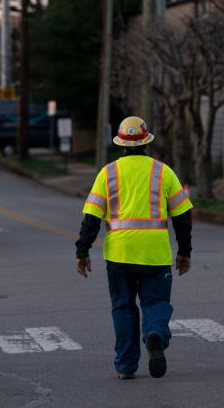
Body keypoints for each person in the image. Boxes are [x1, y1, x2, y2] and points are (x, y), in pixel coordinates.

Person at [75, 116, 193, 380]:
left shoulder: (108, 173)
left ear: (121, 145)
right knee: (156, 302)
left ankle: (126, 366)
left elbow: (91, 218)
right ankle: (155, 334)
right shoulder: (163, 172)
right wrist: (185, 252)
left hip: (119, 255)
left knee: (123, 307)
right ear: (146, 142)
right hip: (154, 254)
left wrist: (82, 251)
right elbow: (183, 217)